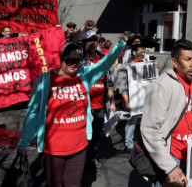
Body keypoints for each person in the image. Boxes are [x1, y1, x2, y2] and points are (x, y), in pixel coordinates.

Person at [17, 34, 127, 187]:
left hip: (78, 147)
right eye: (70, 60)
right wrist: (24, 142)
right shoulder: (44, 81)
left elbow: (104, 64)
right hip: (52, 149)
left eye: (77, 60)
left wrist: (120, 45)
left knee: (74, 184)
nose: (73, 64)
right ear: (61, 59)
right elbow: (33, 113)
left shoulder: (84, 76)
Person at [140, 39, 192, 186]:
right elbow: (150, 130)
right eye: (188, 59)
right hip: (171, 158)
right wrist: (170, 167)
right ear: (174, 62)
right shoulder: (161, 86)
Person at [81, 30, 116, 170]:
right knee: (82, 137)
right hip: (83, 108)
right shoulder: (79, 59)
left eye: (96, 40)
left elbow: (110, 83)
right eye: (90, 40)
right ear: (84, 43)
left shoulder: (103, 59)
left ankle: (91, 159)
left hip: (99, 108)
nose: (93, 43)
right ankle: (79, 161)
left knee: (95, 137)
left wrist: (112, 102)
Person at [118, 44, 146, 151]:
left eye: (144, 52)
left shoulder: (146, 66)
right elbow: (122, 86)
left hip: (144, 100)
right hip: (132, 99)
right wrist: (127, 101)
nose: (143, 54)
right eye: (141, 52)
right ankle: (129, 143)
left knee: (145, 121)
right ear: (134, 53)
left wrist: (154, 69)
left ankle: (143, 142)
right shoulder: (125, 67)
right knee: (132, 121)